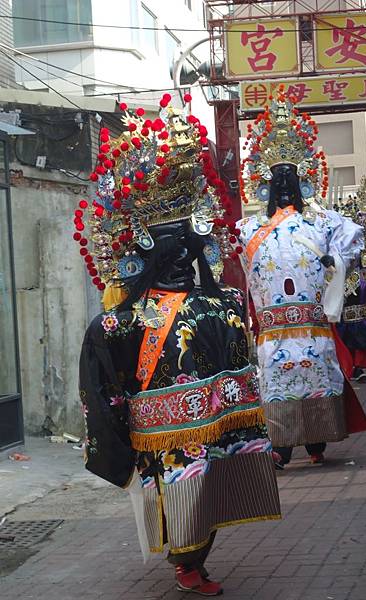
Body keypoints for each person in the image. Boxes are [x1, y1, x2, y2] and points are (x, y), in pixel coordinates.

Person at [76, 96, 281, 596]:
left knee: (202, 491)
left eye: (185, 246)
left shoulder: (215, 304)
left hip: (201, 428)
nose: (182, 259)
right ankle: (188, 564)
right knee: (186, 494)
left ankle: (191, 561)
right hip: (167, 435)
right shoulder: (135, 318)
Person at [236, 90, 366, 468]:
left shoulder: (322, 223)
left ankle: (316, 443)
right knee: (277, 383)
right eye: (276, 179)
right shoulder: (249, 228)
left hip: (311, 325)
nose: (282, 186)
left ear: (303, 182)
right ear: (263, 184)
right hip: (274, 330)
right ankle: (282, 446)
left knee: (315, 377)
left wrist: (336, 263)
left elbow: (350, 238)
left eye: (289, 179)